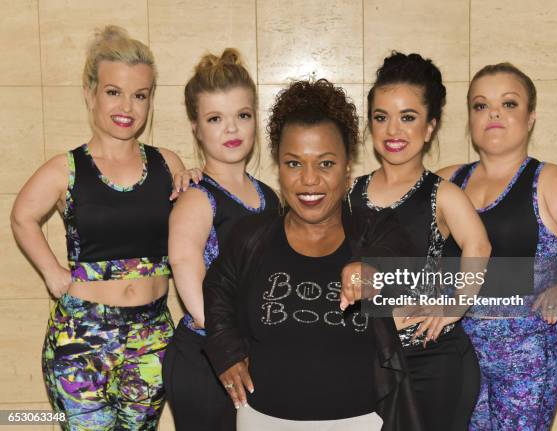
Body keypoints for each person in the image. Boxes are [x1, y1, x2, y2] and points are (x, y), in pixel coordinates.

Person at [203, 79, 425, 431]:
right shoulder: (251, 236)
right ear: (278, 167)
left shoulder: (375, 228)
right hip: (263, 420)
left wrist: (373, 267)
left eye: (325, 164)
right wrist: (225, 349)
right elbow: (218, 290)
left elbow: (404, 257)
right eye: (294, 164)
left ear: (347, 167)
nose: (309, 180)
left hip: (361, 422)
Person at [10, 26, 186, 430]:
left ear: (150, 100)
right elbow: (22, 216)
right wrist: (53, 274)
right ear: (90, 93)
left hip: (153, 340)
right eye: (114, 92)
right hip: (80, 341)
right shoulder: (65, 168)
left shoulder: (168, 164)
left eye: (140, 95)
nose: (127, 105)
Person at [437, 62, 557, 430]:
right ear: (469, 119)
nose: (494, 112)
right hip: (456, 351)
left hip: (527, 359)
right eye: (480, 105)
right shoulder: (446, 181)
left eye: (509, 104)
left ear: (531, 117)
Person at [345, 51, 491, 431]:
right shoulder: (349, 193)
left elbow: (479, 246)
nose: (393, 130)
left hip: (433, 362)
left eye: (408, 117)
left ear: (429, 127)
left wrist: (453, 307)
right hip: (367, 360)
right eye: (382, 117)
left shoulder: (442, 194)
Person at [162, 48, 278, 431]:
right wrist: (224, 344)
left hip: (253, 353)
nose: (232, 129)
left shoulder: (269, 196)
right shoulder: (197, 196)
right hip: (206, 358)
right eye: (215, 118)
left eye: (242, 116)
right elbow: (184, 264)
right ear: (195, 126)